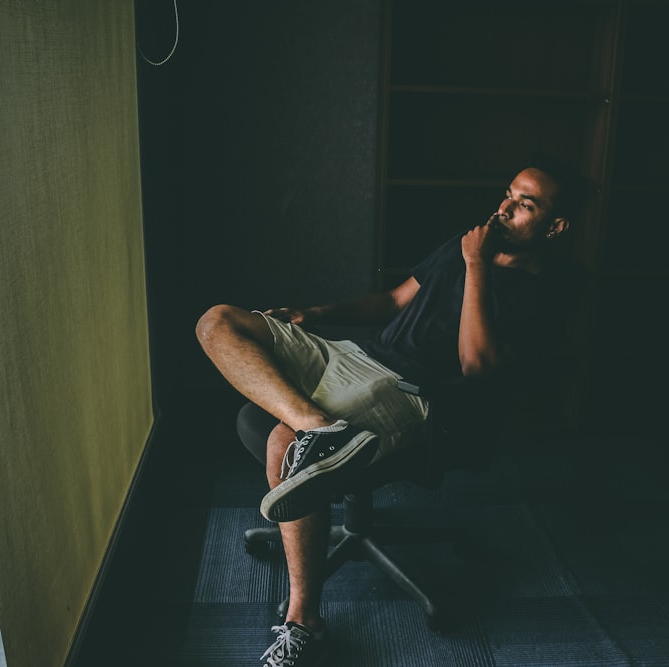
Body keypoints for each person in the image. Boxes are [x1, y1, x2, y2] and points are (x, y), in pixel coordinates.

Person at [196, 155, 582, 667]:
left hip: (414, 393)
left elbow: (475, 363)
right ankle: (321, 428)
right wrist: (316, 315)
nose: (504, 209)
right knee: (218, 321)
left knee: (280, 443)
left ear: (555, 226)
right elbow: (396, 299)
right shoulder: (465, 242)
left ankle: (304, 621)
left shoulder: (545, 290)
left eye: (525, 204)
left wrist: (475, 265)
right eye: (508, 194)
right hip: (357, 355)